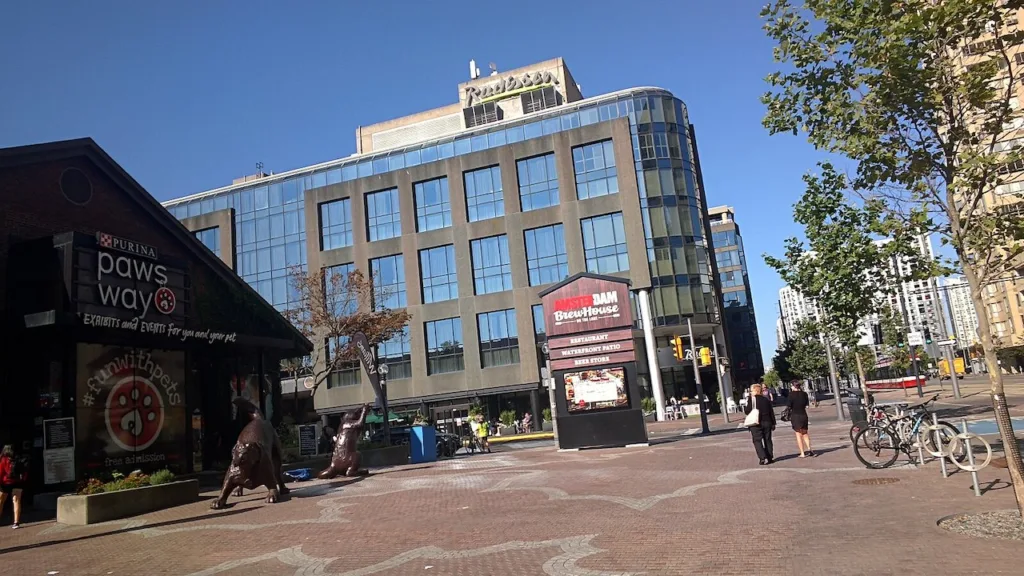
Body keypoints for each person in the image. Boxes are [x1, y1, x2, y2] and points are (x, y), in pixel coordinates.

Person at [744, 384, 776, 465]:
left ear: (755, 391)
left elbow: (747, 411)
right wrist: (773, 423)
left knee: (757, 440)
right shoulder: (766, 400)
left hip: (756, 423)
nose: (750, 392)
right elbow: (771, 412)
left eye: (751, 390)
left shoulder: (752, 399)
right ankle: (770, 457)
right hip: (767, 422)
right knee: (768, 440)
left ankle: (762, 458)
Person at [0, 445, 27, 528]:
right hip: (18, 482)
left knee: (1, 501)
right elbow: (25, 471)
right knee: (16, 501)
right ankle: (16, 522)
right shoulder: (19, 458)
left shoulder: (4, 459)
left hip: (6, 483)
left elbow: (0, 472)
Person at [786, 382, 814, 457]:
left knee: (798, 434)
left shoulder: (791, 395)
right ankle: (809, 449)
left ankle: (802, 453)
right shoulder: (804, 394)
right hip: (803, 415)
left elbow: (789, 405)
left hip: (795, 415)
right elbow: (807, 405)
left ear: (793, 386)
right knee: (805, 433)